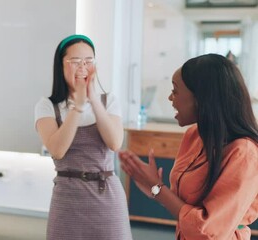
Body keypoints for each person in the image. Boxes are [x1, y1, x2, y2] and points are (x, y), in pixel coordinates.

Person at [119, 53, 258, 239]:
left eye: (175, 91)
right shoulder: (194, 135)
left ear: (202, 98)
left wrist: (157, 188)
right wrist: (154, 188)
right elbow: (183, 205)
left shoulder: (244, 154)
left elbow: (208, 232)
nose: (170, 97)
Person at [34, 34, 132, 239]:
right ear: (60, 66)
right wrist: (77, 107)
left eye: (89, 61)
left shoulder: (109, 101)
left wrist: (93, 99)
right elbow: (57, 150)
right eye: (75, 61)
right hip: (67, 198)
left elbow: (114, 143)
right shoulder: (47, 105)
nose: (83, 67)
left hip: (107, 196)